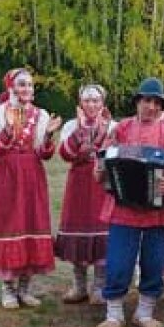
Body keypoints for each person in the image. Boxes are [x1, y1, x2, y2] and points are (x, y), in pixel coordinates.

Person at [93, 78, 164, 327]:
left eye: (156, 102)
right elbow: (104, 157)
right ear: (137, 102)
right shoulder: (120, 129)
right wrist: (100, 168)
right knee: (119, 260)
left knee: (154, 261)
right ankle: (114, 314)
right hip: (123, 208)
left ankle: (145, 313)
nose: (151, 106)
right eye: (146, 101)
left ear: (162, 106)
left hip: (157, 211)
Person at [0, 68, 62, 309]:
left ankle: (26, 289)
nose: (27, 89)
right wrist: (7, 132)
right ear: (11, 88)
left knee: (31, 224)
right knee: (9, 225)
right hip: (5, 175)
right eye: (22, 84)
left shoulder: (41, 114)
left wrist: (48, 137)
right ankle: (8, 288)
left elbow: (44, 154)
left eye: (30, 85)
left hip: (32, 176)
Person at [55, 83, 116, 304]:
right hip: (78, 185)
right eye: (87, 100)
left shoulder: (112, 126)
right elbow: (65, 153)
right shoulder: (71, 126)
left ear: (103, 103)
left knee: (102, 234)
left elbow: (115, 154)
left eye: (96, 100)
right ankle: (79, 285)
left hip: (101, 185)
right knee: (77, 232)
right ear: (80, 103)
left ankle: (99, 286)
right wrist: (81, 130)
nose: (91, 105)